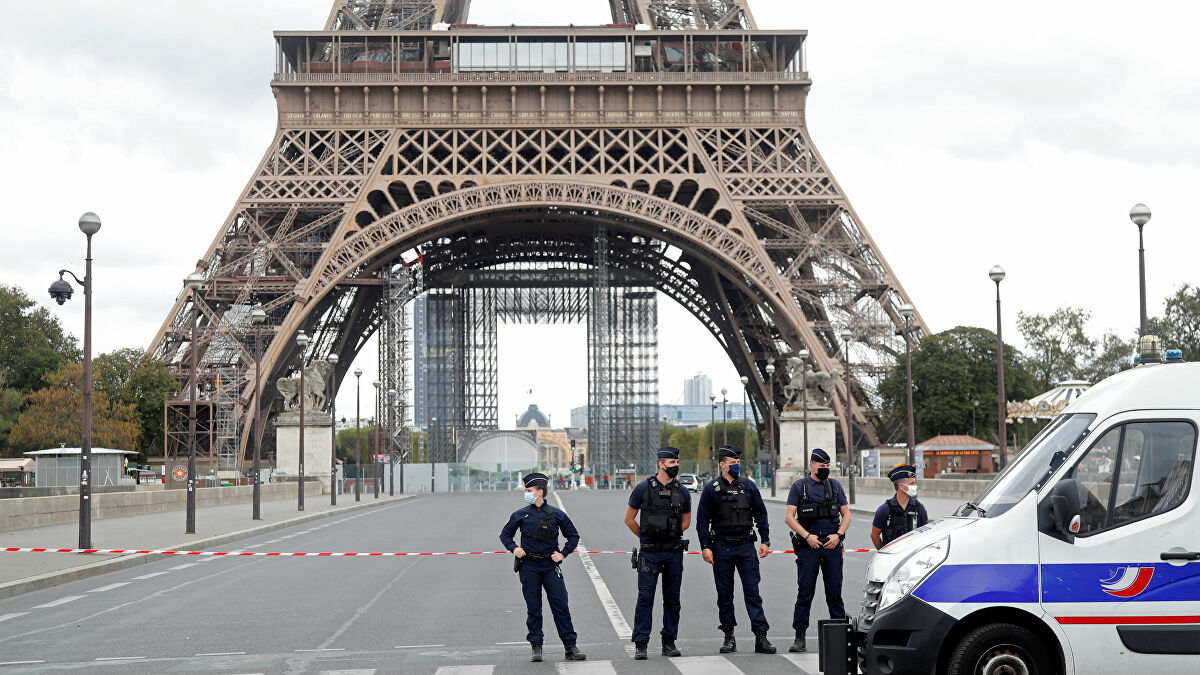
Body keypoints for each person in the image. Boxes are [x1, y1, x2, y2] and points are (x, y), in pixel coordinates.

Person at [696, 446, 777, 655]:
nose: (736, 465)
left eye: (737, 462)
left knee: (753, 594)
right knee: (724, 594)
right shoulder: (710, 489)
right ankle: (729, 636)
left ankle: (761, 637)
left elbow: (761, 514)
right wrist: (705, 546)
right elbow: (702, 521)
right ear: (722, 465)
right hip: (721, 546)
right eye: (732, 462)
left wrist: (765, 540)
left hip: (745, 546)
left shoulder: (748, 486)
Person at [499, 473, 586, 663]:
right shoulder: (520, 515)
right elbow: (505, 535)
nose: (526, 494)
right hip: (529, 567)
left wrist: (562, 553)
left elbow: (573, 536)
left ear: (540, 492)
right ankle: (536, 647)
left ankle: (570, 647)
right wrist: (514, 548)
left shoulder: (556, 514)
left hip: (550, 566)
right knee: (534, 608)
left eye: (529, 491)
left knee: (561, 606)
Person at [624, 447, 692, 660]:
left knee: (672, 599)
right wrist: (645, 537)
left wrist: (670, 533)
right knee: (645, 598)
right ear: (661, 464)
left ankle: (669, 642)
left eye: (677, 462)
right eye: (672, 463)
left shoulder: (682, 491)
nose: (676, 466)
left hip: (673, 552)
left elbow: (687, 521)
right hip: (650, 553)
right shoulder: (643, 488)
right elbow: (629, 519)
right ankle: (641, 644)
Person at [783, 448, 850, 653]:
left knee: (834, 593)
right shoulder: (799, 487)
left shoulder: (835, 486)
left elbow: (846, 516)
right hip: (808, 545)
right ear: (812, 467)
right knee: (805, 593)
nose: (825, 470)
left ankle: (840, 636)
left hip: (832, 544)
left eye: (828, 466)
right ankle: (800, 636)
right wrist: (807, 536)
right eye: (822, 467)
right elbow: (789, 517)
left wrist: (838, 535)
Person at [871, 464, 929, 550]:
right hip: (892, 559)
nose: (915, 486)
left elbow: (926, 534)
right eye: (912, 483)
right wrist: (884, 553)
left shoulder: (919, 508)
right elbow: (874, 535)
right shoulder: (885, 510)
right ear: (901, 486)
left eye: (915, 483)